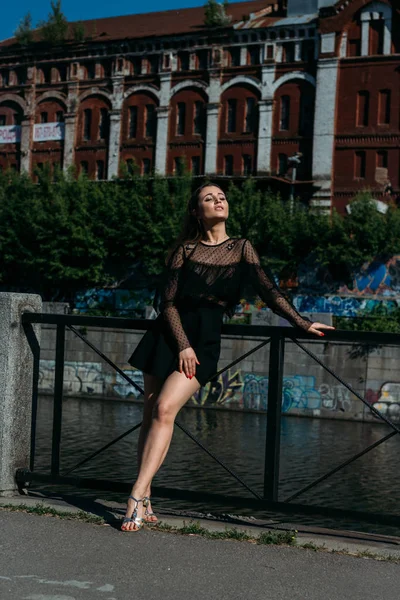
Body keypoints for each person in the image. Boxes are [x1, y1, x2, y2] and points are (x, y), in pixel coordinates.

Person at [121, 182, 334, 532]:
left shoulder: (242, 249)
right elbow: (168, 302)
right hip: (168, 335)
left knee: (164, 409)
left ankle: (134, 495)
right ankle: (146, 499)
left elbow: (269, 290)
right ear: (196, 211)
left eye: (221, 197)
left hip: (204, 341)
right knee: (150, 415)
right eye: (209, 197)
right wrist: (182, 344)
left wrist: (302, 321)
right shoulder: (185, 250)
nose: (218, 200)